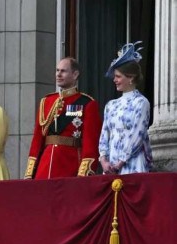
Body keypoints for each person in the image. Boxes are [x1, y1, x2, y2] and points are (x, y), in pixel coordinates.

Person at [24, 57, 102, 179]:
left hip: (70, 166)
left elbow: (90, 144)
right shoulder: (46, 101)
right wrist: (30, 173)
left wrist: (83, 174)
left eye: (63, 71)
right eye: (57, 70)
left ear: (75, 74)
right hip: (44, 167)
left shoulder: (87, 103)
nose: (58, 74)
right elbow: (37, 140)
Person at [99, 42, 153, 174]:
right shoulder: (111, 105)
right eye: (114, 77)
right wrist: (103, 160)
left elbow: (138, 135)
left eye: (118, 76)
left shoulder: (141, 102)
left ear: (130, 78)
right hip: (111, 165)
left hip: (132, 165)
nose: (114, 80)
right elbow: (104, 134)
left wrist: (120, 162)